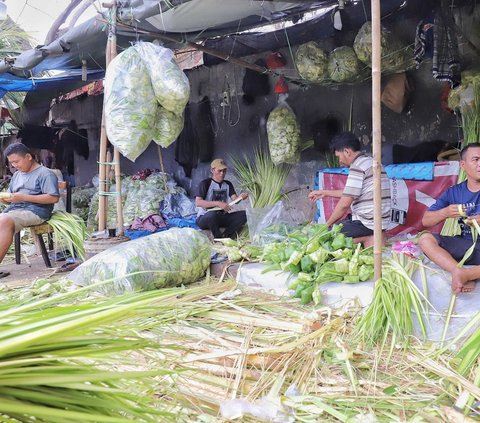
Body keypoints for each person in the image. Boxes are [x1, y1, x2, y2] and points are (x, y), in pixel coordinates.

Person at [308, 132, 391, 247]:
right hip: (380, 222)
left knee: (328, 239)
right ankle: (369, 237)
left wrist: (325, 226)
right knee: (341, 225)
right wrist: (324, 192)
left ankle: (367, 237)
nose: (339, 161)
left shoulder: (358, 166)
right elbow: (350, 193)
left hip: (368, 223)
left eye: (338, 156)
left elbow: (344, 204)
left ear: (347, 151)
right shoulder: (369, 162)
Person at [418, 143, 480, 294]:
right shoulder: (454, 192)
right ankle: (456, 271)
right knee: (425, 239)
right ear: (463, 165)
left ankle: (468, 274)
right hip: (465, 245)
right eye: (476, 160)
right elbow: (426, 221)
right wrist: (445, 212)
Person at [0, 143, 59, 278]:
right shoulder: (17, 175)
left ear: (28, 157)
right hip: (16, 209)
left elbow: (53, 198)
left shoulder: (45, 173)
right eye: (11, 163)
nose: (14, 165)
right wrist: (5, 199)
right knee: (3, 220)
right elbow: (11, 195)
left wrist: (22, 197)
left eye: (16, 161)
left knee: (4, 220)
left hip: (36, 211)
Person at [195, 158, 248, 239]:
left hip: (221, 217)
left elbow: (235, 200)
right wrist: (218, 203)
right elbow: (198, 202)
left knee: (245, 214)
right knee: (212, 215)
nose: (222, 173)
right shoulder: (205, 183)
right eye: (219, 171)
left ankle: (227, 236)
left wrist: (241, 197)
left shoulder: (228, 184)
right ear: (212, 170)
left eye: (224, 171)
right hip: (204, 218)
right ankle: (218, 239)